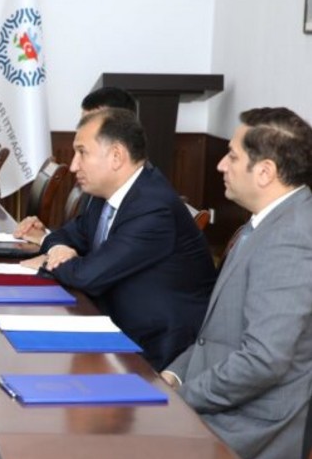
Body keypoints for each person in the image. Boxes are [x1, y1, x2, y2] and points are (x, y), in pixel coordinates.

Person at [161, 107, 312, 459]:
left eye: (232, 155)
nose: (220, 165)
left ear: (265, 172)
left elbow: (264, 360)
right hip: (224, 405)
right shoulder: (264, 223)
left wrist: (184, 397)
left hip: (250, 431)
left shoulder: (291, 238)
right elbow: (213, 336)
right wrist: (174, 375)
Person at [16, 108, 216, 370]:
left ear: (117, 156)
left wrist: (50, 260)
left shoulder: (153, 207)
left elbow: (88, 276)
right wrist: (57, 247)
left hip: (153, 352)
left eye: (82, 152)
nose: (74, 165)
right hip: (111, 323)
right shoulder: (104, 195)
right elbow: (67, 235)